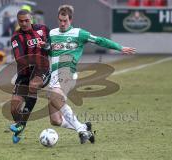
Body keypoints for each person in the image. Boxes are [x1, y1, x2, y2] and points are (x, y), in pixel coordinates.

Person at [48, 5, 136, 144]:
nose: (62, 23)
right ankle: (84, 128)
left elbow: (100, 40)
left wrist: (120, 47)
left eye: (65, 21)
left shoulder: (79, 33)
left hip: (67, 72)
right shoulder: (52, 34)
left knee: (54, 96)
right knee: (55, 120)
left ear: (71, 19)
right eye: (60, 20)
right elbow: (48, 51)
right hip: (53, 75)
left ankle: (80, 130)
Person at [9, 9, 51, 144]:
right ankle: (21, 125)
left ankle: (21, 123)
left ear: (31, 19)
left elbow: (53, 47)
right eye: (21, 21)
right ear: (18, 21)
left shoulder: (43, 29)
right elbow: (20, 58)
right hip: (24, 73)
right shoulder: (16, 37)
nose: (24, 23)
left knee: (33, 85)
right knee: (14, 108)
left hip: (42, 69)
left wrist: (47, 47)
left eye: (26, 20)